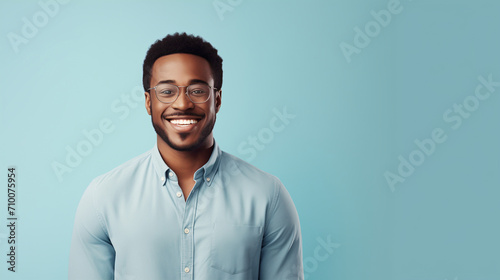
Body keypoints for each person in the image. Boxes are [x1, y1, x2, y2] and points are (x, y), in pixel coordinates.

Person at [69, 32, 303, 280]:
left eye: (197, 90)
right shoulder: (103, 197)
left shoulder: (267, 195)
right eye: (167, 91)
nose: (182, 104)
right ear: (148, 102)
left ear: (217, 99)